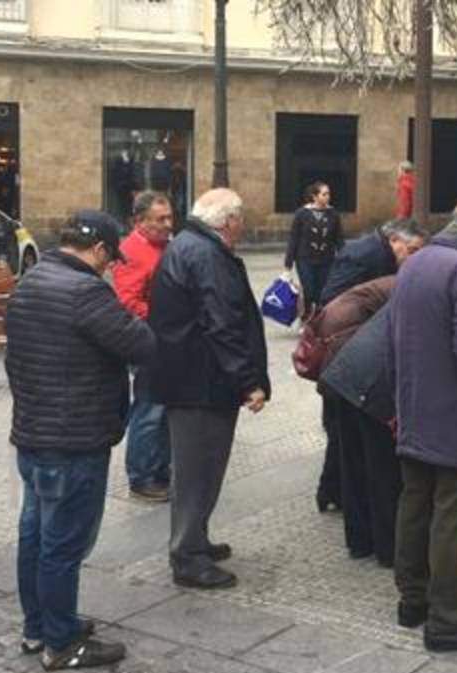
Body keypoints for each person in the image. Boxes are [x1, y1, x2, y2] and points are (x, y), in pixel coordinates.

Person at [6, 210, 155, 670]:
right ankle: (61, 642)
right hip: (73, 438)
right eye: (112, 260)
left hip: (34, 431)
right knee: (63, 545)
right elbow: (140, 344)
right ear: (100, 250)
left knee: (34, 535)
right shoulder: (86, 290)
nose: (112, 268)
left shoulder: (31, 280)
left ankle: (40, 627)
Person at [387, 198, 457, 652]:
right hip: (455, 415)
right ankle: (447, 620)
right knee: (451, 519)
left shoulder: (414, 265)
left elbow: (395, 341)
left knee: (415, 506)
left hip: (415, 408)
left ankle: (411, 600)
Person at [149, 188, 270, 590]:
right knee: (198, 471)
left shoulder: (192, 245)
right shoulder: (205, 253)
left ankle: (195, 539)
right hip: (200, 383)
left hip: (194, 378)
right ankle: (188, 555)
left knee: (198, 470)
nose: (243, 225)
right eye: (240, 218)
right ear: (228, 221)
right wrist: (248, 380)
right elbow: (222, 322)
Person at [312, 218, 425, 514]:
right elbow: (330, 299)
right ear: (394, 241)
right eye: (411, 250)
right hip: (346, 355)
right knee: (341, 431)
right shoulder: (365, 255)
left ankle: (335, 490)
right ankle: (333, 491)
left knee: (343, 432)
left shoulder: (378, 254)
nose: (413, 258)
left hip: (351, 355)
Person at [312, 277, 397, 563]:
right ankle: (388, 550)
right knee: (382, 468)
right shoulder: (443, 293)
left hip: (345, 370)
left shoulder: (408, 281)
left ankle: (359, 542)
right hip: (371, 381)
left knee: (354, 462)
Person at [113, 191, 176, 503]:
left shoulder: (166, 245)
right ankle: (141, 476)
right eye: (160, 219)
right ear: (139, 222)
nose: (167, 224)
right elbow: (127, 301)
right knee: (149, 410)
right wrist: (164, 316)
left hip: (168, 340)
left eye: (169, 217)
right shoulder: (132, 251)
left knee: (164, 408)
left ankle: (160, 469)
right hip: (149, 340)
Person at [284, 181, 343, 318]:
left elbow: (339, 239)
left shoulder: (333, 214)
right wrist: (288, 265)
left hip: (326, 259)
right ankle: (305, 318)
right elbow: (294, 239)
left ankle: (318, 319)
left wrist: (344, 257)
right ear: (314, 196)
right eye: (324, 194)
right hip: (305, 258)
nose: (327, 197)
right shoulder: (302, 214)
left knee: (322, 292)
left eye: (328, 194)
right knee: (309, 289)